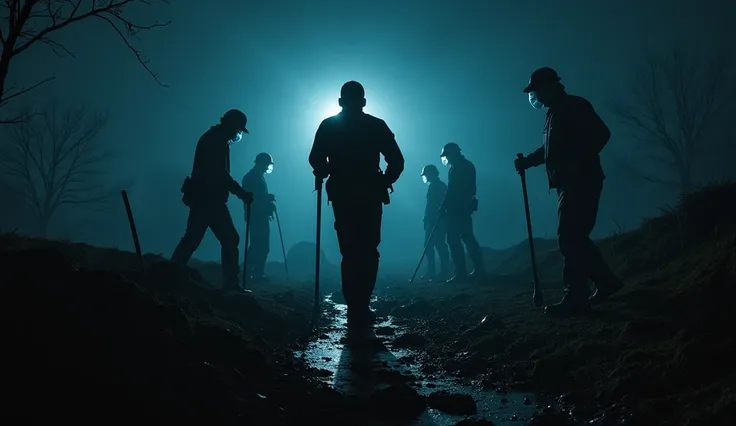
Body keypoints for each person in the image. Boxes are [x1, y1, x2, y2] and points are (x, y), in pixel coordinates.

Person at [514, 67, 623, 316]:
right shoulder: (554, 114)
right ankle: (606, 282)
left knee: (569, 236)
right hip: (568, 183)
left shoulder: (574, 106)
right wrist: (529, 161)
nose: (537, 97)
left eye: (538, 90)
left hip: (582, 181)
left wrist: (578, 162)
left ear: (551, 86)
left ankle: (576, 296)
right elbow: (551, 150)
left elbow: (601, 134)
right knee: (576, 237)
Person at [309, 81, 405, 330]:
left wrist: (327, 168)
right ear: (363, 101)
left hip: (343, 194)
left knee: (350, 251)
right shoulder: (375, 125)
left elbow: (315, 159)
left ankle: (355, 304)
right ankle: (360, 304)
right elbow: (396, 160)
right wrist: (384, 180)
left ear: (340, 102)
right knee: (368, 249)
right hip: (369, 195)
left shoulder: (329, 126)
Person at [172, 109, 254, 291]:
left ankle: (171, 272)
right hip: (209, 199)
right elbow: (220, 175)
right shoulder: (216, 141)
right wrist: (241, 193)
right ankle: (230, 284)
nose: (238, 133)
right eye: (239, 129)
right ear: (232, 125)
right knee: (228, 238)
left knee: (193, 239)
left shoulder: (214, 138)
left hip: (204, 197)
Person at [439, 142, 487, 283]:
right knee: (466, 237)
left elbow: (455, 190)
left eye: (447, 155)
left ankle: (464, 272)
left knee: (456, 239)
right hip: (459, 208)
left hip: (459, 208)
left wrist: (446, 205)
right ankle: (476, 270)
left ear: (454, 153)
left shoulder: (462, 167)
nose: (447, 158)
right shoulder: (460, 166)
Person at [241, 152, 276, 283]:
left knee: (258, 245)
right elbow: (252, 197)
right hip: (257, 215)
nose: (267, 167)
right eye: (266, 164)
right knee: (260, 245)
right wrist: (266, 199)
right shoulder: (252, 177)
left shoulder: (256, 176)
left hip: (258, 215)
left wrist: (268, 204)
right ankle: (254, 272)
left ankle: (251, 271)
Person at [420, 165, 451, 282]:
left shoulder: (440, 186)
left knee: (439, 244)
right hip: (431, 220)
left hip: (438, 220)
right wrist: (426, 218)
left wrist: (435, 218)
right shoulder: (433, 186)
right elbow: (429, 205)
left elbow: (440, 204)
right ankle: (431, 271)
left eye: (427, 174)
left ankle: (444, 270)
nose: (426, 177)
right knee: (428, 246)